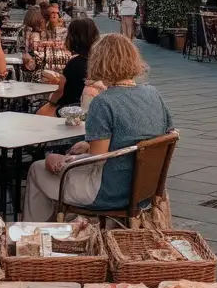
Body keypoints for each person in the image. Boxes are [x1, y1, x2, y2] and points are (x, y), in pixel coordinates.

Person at [22, 33, 174, 222]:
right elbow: (164, 133)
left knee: (37, 169)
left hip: (110, 191)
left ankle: (34, 234)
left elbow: (98, 159)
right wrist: (87, 146)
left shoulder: (104, 102)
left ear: (98, 62)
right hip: (145, 189)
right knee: (54, 171)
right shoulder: (153, 94)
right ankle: (54, 230)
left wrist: (62, 159)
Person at [36, 17, 100, 117]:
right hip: (95, 109)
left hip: (70, 109)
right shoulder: (101, 61)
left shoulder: (74, 64)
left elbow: (60, 92)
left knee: (39, 113)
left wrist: (51, 102)